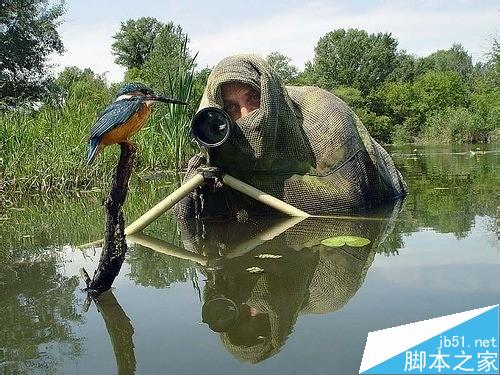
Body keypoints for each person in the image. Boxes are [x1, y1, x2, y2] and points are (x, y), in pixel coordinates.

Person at [176, 54, 407, 218]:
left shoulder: (326, 122)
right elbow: (188, 220)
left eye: (253, 100)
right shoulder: (221, 145)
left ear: (270, 98)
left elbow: (353, 199)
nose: (246, 116)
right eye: (232, 108)